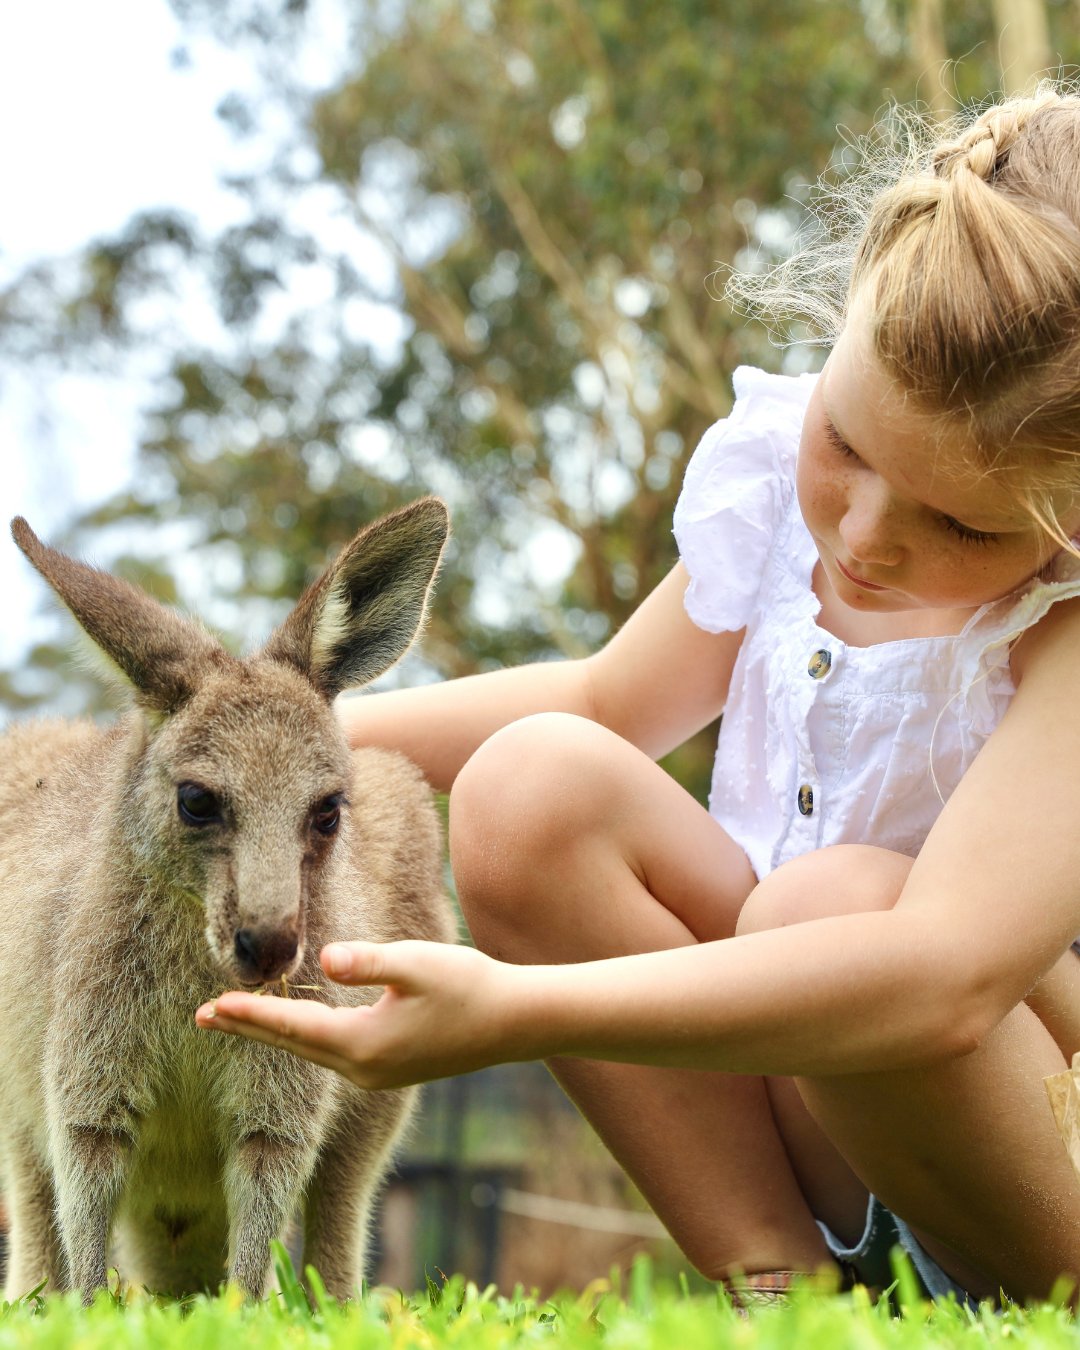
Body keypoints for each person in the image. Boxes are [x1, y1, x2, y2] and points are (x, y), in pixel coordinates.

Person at [196, 85, 1080, 1307]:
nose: (866, 535)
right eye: (847, 444)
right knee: (532, 786)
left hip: (1026, 1141)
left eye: (963, 525)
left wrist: (516, 1009)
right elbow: (608, 704)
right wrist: (259, 740)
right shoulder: (774, 491)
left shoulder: (1063, 626)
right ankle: (783, 1294)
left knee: (825, 906)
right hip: (818, 1107)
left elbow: (945, 974)